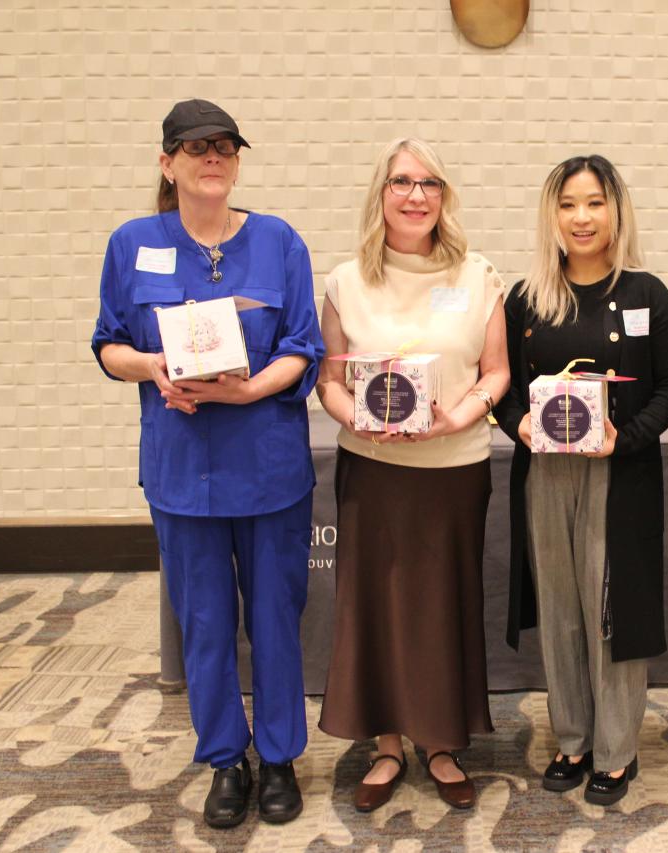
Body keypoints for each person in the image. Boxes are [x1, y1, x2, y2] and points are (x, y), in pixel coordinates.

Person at [92, 99, 324, 828]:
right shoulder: (133, 243)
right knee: (203, 620)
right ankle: (226, 758)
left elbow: (303, 347)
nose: (212, 156)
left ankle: (280, 754)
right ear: (168, 163)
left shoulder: (279, 240)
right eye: (195, 147)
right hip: (184, 468)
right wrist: (154, 367)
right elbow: (106, 345)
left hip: (268, 465)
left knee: (276, 618)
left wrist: (250, 385)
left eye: (224, 145)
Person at [316, 138, 510, 812]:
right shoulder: (345, 281)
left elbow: (497, 372)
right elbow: (331, 380)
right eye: (402, 181)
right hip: (373, 469)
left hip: (454, 467)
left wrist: (456, 418)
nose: (416, 194)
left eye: (430, 182)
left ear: (444, 196)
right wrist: (356, 419)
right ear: (382, 194)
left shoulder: (478, 276)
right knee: (375, 603)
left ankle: (442, 742)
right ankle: (388, 743)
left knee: (443, 603)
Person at [494, 155, 668, 806]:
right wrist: (520, 423)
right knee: (559, 608)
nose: (581, 217)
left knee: (611, 612)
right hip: (545, 475)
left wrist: (625, 437)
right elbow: (502, 387)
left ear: (616, 210)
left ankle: (615, 750)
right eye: (568, 204)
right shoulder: (526, 299)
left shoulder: (647, 296)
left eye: (594, 202)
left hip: (619, 473)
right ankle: (572, 738)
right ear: (551, 215)